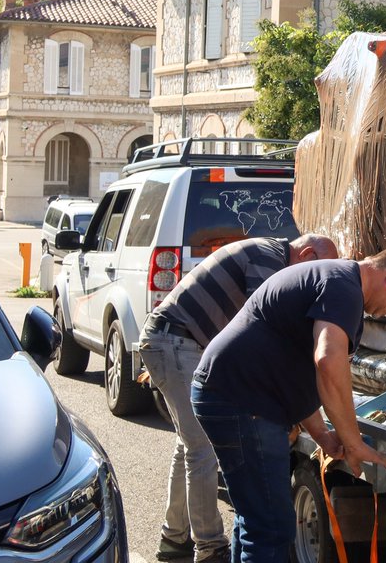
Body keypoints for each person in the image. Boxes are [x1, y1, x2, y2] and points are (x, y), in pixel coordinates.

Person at [191, 246, 386, 563]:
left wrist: (324, 436)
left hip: (233, 396)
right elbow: (328, 362)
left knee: (254, 518)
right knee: (272, 528)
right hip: (242, 402)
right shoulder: (344, 287)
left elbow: (298, 374)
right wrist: (352, 441)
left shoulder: (336, 280)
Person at [139, 233, 339, 563]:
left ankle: (174, 538)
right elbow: (268, 336)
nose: (313, 285)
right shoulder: (269, 263)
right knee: (202, 448)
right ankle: (210, 549)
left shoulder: (269, 254)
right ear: (304, 255)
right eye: (316, 272)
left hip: (173, 340)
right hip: (176, 341)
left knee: (188, 445)